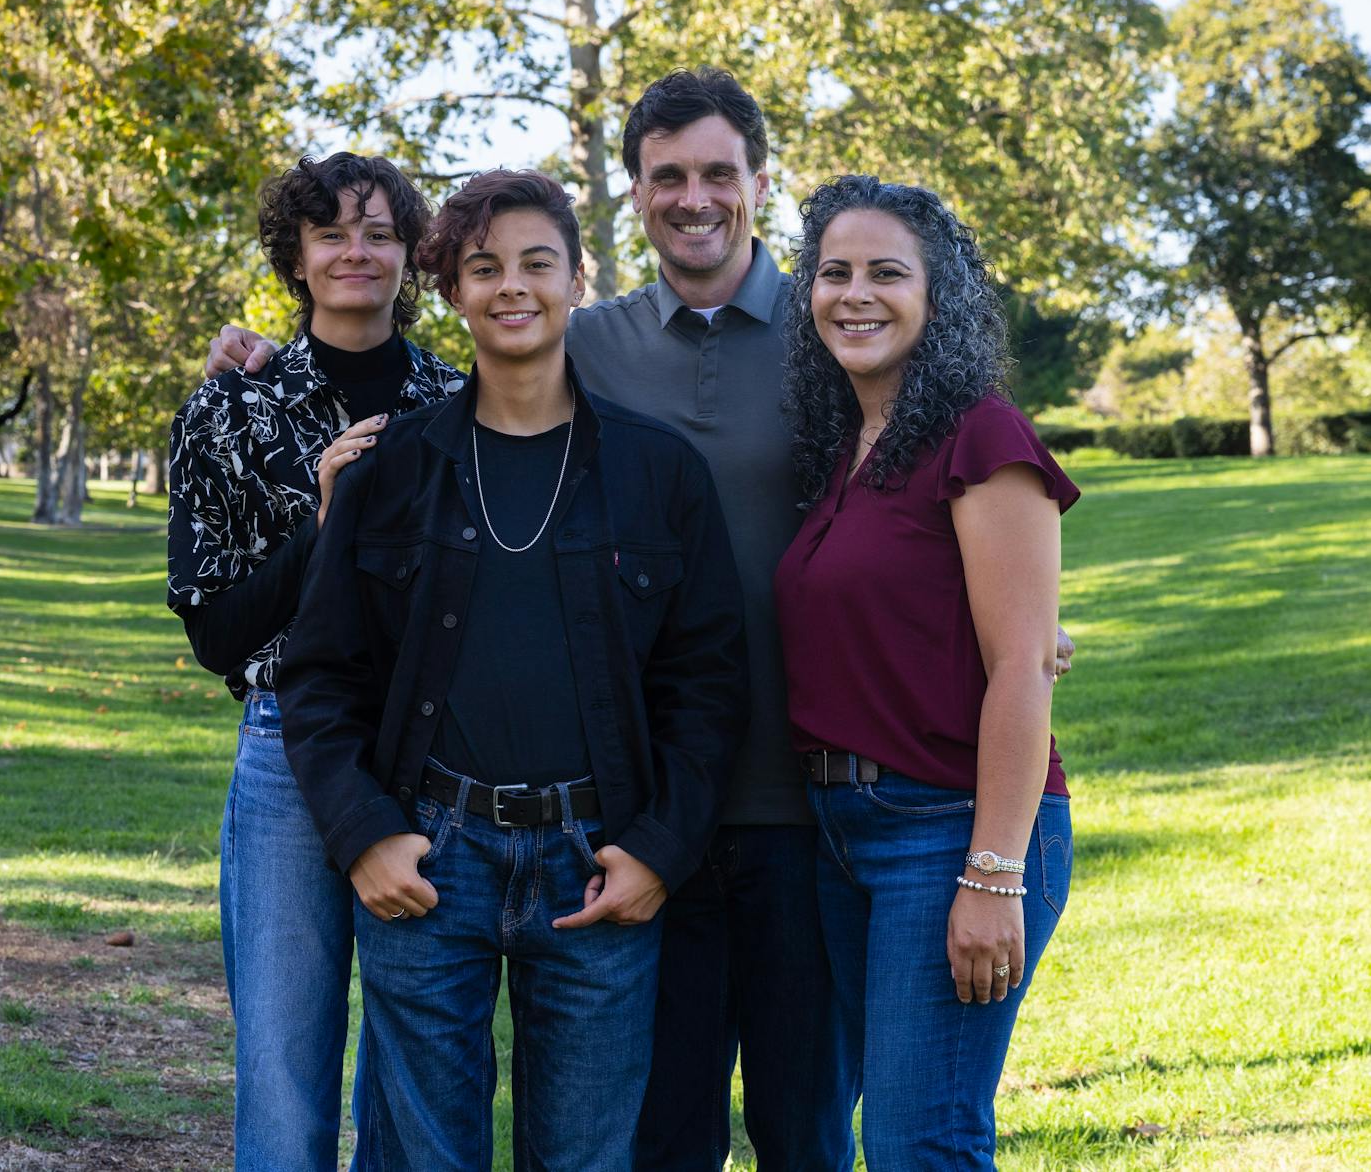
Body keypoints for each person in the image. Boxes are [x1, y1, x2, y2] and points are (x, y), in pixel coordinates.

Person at [206, 67, 1072, 1171]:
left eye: (720, 172)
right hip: (609, 819)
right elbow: (341, 631)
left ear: (759, 183)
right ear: (632, 201)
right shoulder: (546, 372)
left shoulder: (827, 352)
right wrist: (266, 357)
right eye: (668, 176)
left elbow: (955, 542)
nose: (695, 195)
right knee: (648, 1134)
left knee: (829, 1125)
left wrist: (1028, 634)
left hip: (797, 817)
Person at [276, 169, 748, 1172]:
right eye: (484, 268)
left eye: (538, 263)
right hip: (430, 858)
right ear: (452, 290)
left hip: (598, 862)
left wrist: (660, 848)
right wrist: (364, 836)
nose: (512, 288)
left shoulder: (658, 472)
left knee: (583, 1159)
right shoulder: (390, 470)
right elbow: (318, 678)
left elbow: (709, 685)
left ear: (579, 278)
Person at [773, 175, 1080, 1169]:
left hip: (950, 830)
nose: (855, 294)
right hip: (838, 838)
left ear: (937, 298)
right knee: (884, 1128)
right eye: (833, 273)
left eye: (886, 274)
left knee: (921, 1141)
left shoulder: (980, 436)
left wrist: (992, 875)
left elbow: (1025, 666)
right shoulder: (842, 451)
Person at [166, 151, 464, 1171]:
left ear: (409, 256)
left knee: (416, 1075)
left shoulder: (461, 403)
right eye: (333, 232)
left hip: (432, 761)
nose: (357, 252)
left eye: (380, 233)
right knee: (288, 1078)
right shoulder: (228, 409)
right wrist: (329, 524)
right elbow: (215, 634)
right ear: (295, 255)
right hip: (287, 754)